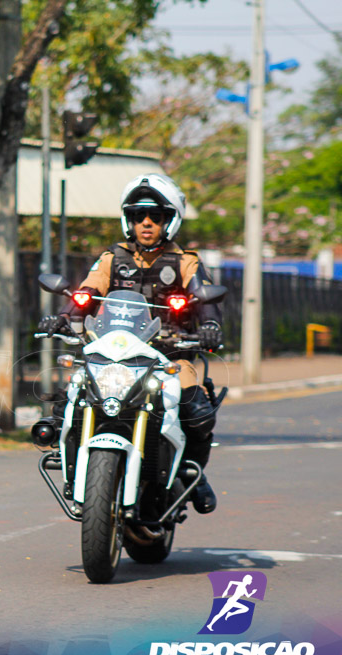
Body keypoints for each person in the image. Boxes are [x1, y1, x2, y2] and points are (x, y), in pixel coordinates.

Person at [38, 173, 222, 514]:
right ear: (129, 220)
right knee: (70, 400)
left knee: (197, 412)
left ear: (170, 221)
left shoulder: (185, 262)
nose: (147, 223)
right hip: (113, 353)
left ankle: (193, 474)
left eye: (156, 216)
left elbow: (204, 296)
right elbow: (86, 292)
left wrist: (210, 324)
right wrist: (62, 316)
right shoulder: (113, 258)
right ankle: (71, 465)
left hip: (170, 355)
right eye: (139, 216)